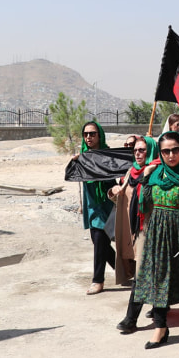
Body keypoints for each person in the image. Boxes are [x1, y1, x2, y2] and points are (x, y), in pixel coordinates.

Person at [134, 131, 179, 349]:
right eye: (166, 151)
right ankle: (161, 327)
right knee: (158, 277)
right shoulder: (155, 175)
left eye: (175, 149)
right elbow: (144, 205)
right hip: (157, 234)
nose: (171, 155)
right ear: (160, 152)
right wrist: (145, 178)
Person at [109, 136, 159, 333]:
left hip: (150, 229)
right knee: (151, 271)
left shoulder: (157, 173)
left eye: (143, 150)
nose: (138, 153)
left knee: (140, 274)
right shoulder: (131, 172)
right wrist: (114, 192)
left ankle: (130, 319)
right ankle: (159, 306)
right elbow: (126, 199)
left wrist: (147, 176)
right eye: (136, 150)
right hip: (133, 229)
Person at [77, 121, 116, 295]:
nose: (89, 137)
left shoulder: (108, 154)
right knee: (98, 241)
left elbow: (116, 176)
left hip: (106, 203)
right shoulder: (82, 156)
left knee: (100, 239)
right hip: (92, 205)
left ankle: (98, 280)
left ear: (99, 135)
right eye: (86, 134)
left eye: (92, 134)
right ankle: (127, 268)